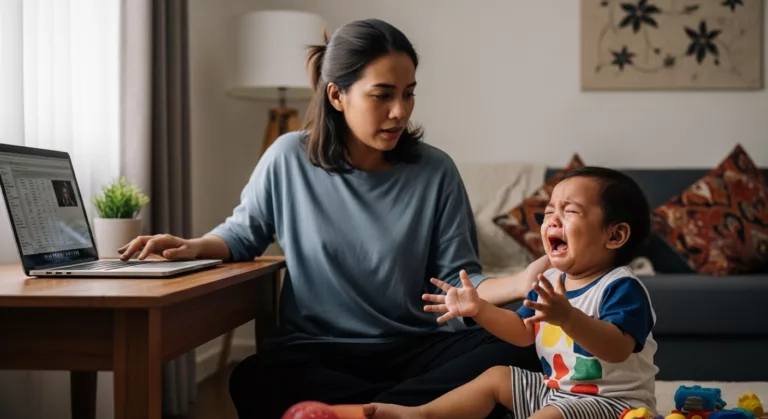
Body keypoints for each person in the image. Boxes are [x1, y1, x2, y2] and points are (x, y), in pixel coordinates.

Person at [117, 18, 546, 419]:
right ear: (337, 95)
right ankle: (402, 412)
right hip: (318, 351)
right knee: (253, 378)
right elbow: (243, 235)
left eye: (409, 93)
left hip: (417, 349)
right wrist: (191, 246)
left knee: (525, 350)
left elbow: (460, 279)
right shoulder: (287, 158)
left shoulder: (436, 171)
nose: (400, 110)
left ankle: (360, 413)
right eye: (383, 95)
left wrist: (523, 281)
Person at [362, 167, 659, 419]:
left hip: (615, 405)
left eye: (570, 212)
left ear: (615, 235)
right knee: (497, 377)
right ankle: (421, 414)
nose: (552, 220)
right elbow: (521, 332)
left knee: (550, 416)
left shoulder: (620, 286)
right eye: (549, 211)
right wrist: (479, 308)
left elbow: (617, 350)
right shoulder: (550, 279)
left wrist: (569, 318)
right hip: (557, 392)